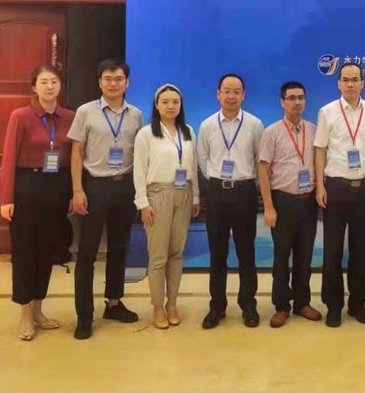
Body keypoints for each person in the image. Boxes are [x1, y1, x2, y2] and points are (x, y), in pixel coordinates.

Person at [0, 66, 75, 341]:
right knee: (24, 253)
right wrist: (6, 198)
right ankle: (25, 314)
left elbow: (74, 159)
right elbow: (9, 158)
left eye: (54, 81)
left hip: (57, 189)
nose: (49, 86)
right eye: (44, 82)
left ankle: (39, 310)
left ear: (60, 85)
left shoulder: (70, 117)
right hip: (27, 188)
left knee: (47, 252)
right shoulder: (21, 116)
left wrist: (72, 193)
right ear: (34, 87)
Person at [69, 58, 143, 340]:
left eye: (118, 79)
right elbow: (76, 153)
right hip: (94, 186)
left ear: (127, 82)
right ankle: (84, 315)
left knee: (119, 248)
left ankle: (113, 303)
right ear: (100, 82)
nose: (113, 84)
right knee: (87, 253)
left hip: (124, 187)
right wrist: (78, 190)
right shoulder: (85, 112)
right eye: (108, 79)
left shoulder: (136, 115)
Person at [196, 74, 264, 329]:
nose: (231, 96)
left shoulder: (255, 124)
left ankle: (248, 306)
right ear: (218, 94)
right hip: (217, 193)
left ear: (243, 95)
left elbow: (259, 159)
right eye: (226, 91)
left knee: (247, 253)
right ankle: (217, 307)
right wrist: (218, 180)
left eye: (236, 91)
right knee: (218, 254)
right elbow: (202, 160)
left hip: (245, 192)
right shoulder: (207, 125)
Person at [314, 62, 365, 327]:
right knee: (333, 251)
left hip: (362, 187)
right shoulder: (327, 111)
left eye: (355, 79)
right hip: (336, 188)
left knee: (360, 251)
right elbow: (320, 149)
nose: (350, 84)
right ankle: (334, 306)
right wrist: (320, 186)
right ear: (338, 83)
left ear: (362, 83)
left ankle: (358, 304)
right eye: (345, 79)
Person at [133, 84, 200, 329]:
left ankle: (172, 303)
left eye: (175, 102)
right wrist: (143, 203)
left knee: (177, 253)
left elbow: (192, 167)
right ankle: (158, 306)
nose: (171, 106)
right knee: (158, 256)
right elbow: (139, 170)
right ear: (156, 105)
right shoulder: (146, 134)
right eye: (165, 102)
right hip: (158, 195)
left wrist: (195, 197)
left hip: (184, 194)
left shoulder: (188, 131)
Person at [259, 81, 323, 328]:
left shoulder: (314, 130)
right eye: (291, 98)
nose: (297, 102)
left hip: (307, 202)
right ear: (282, 102)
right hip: (282, 202)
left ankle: (302, 303)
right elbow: (263, 171)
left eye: (301, 98)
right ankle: (282, 306)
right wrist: (268, 207)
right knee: (281, 257)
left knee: (304, 256)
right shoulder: (272, 132)